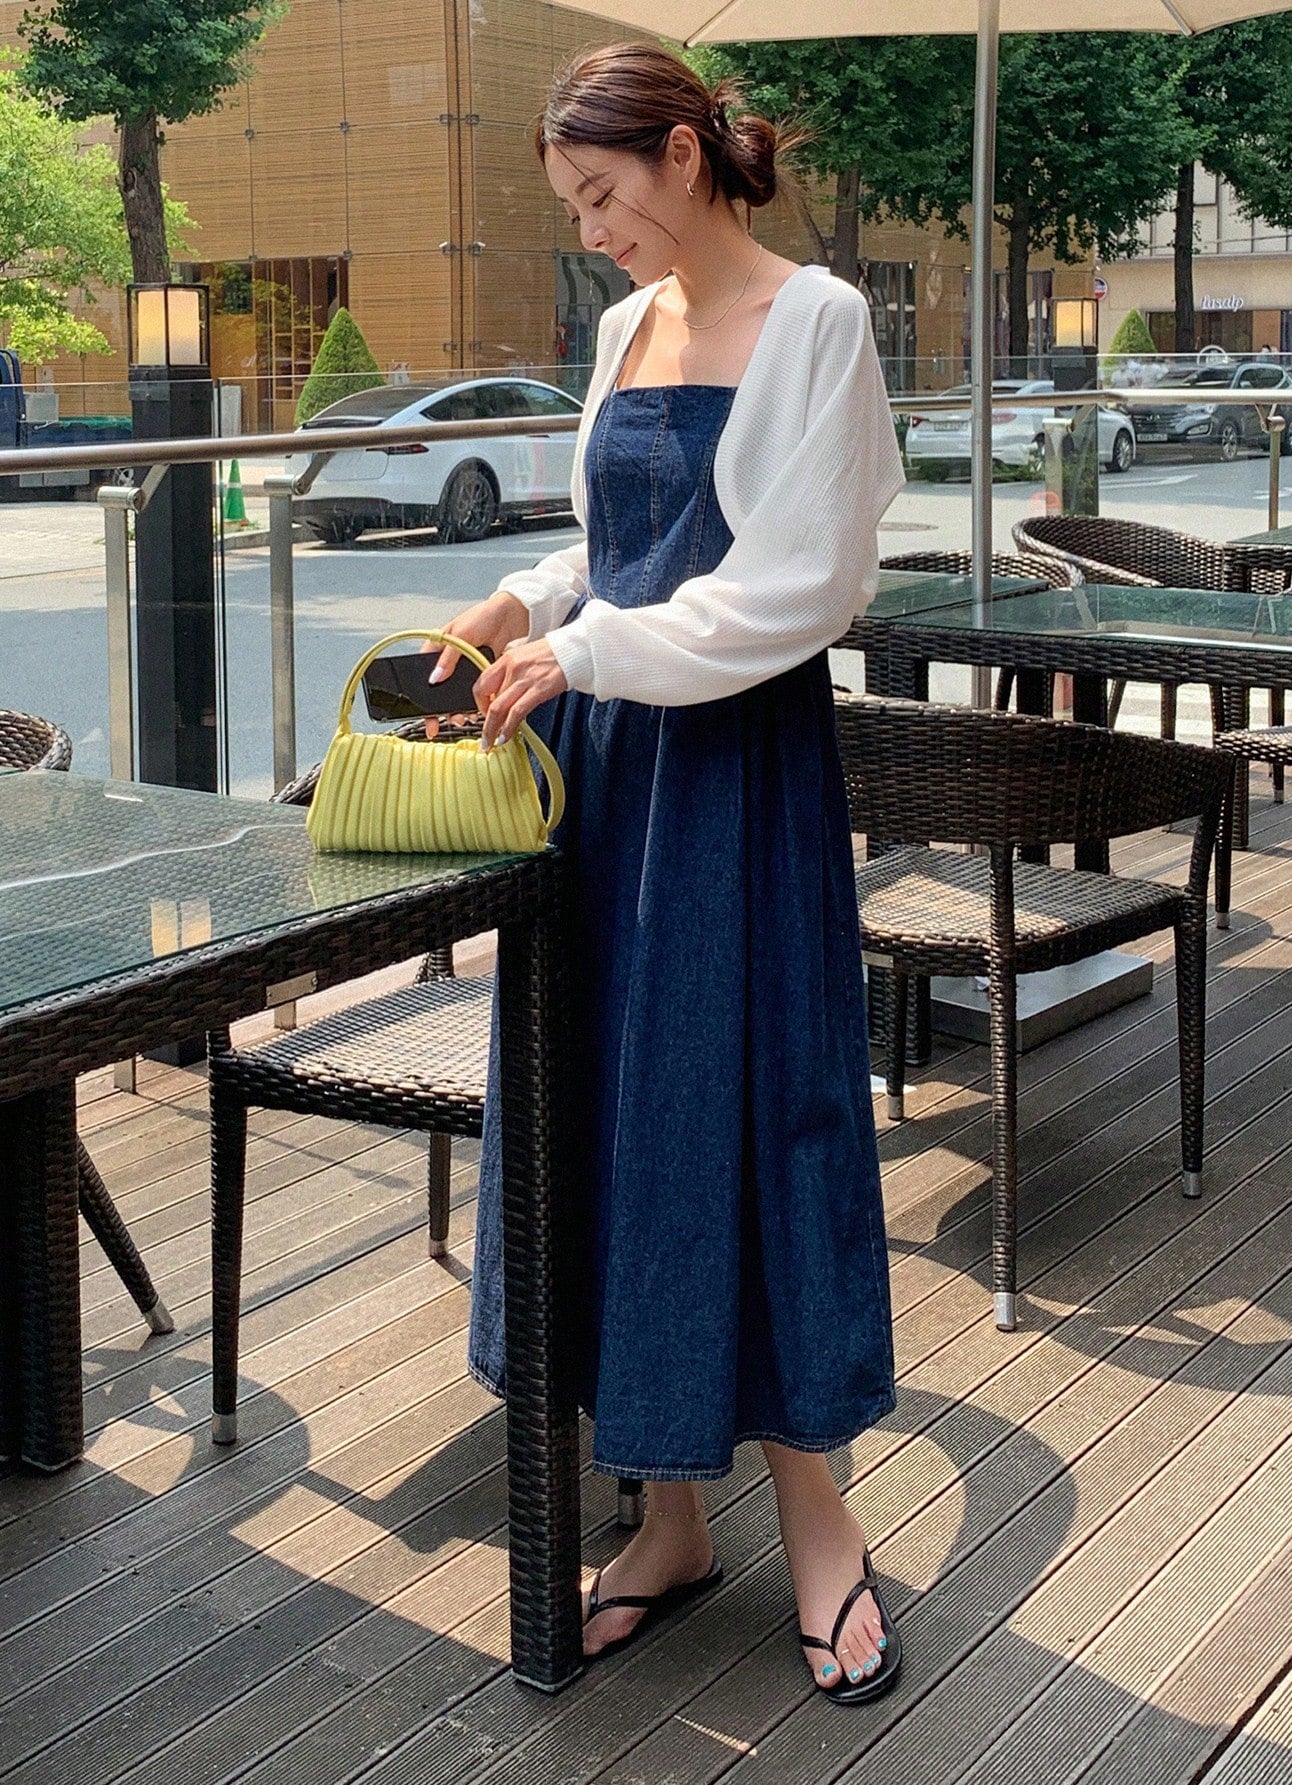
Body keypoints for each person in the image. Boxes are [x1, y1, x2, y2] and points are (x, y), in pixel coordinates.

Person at [428, 42, 903, 1704]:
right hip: (603, 778)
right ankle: (673, 1517)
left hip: (735, 778)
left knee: (749, 1110)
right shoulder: (627, 328)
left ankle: (822, 1522)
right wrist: (527, 602)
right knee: (612, 1125)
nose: (592, 230)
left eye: (602, 193)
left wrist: (587, 645)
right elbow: (622, 543)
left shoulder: (820, 320)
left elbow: (801, 583)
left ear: (685, 156)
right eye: (572, 204)